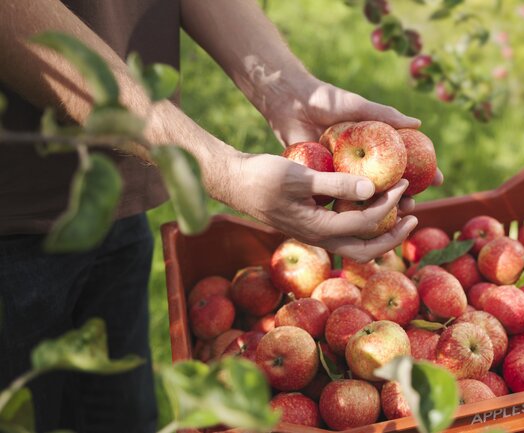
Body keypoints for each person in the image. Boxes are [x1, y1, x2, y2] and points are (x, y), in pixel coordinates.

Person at [0, 1, 438, 431]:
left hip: (114, 198)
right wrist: (222, 169)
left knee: (121, 415)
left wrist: (286, 88)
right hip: (11, 221)